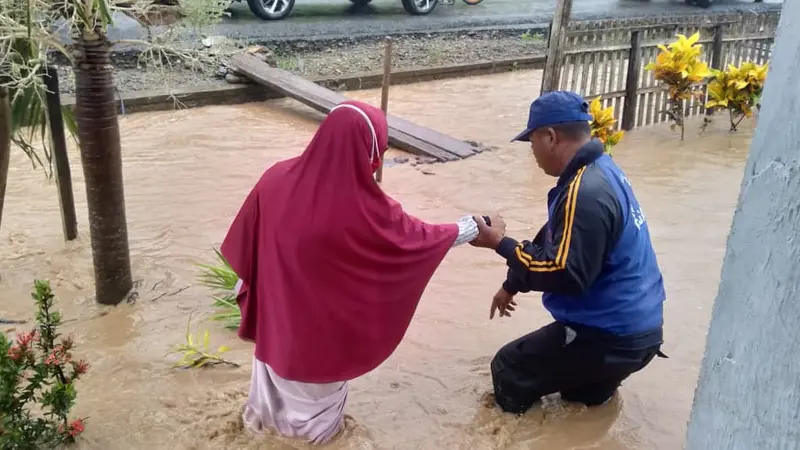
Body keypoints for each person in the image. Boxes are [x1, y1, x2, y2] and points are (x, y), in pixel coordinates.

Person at [220, 100, 494, 444]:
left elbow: (246, 244)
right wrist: (474, 226)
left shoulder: (274, 178)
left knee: (263, 416)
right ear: (372, 150)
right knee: (314, 431)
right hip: (319, 344)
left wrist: (249, 291)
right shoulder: (367, 208)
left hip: (274, 326)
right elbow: (418, 241)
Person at [470, 90, 667, 414]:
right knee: (577, 402)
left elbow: (566, 274)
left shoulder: (584, 191)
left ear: (549, 137)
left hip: (609, 334)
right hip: (640, 330)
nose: (532, 152)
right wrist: (512, 284)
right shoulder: (601, 170)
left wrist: (499, 243)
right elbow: (554, 238)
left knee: (510, 367)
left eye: (531, 141)